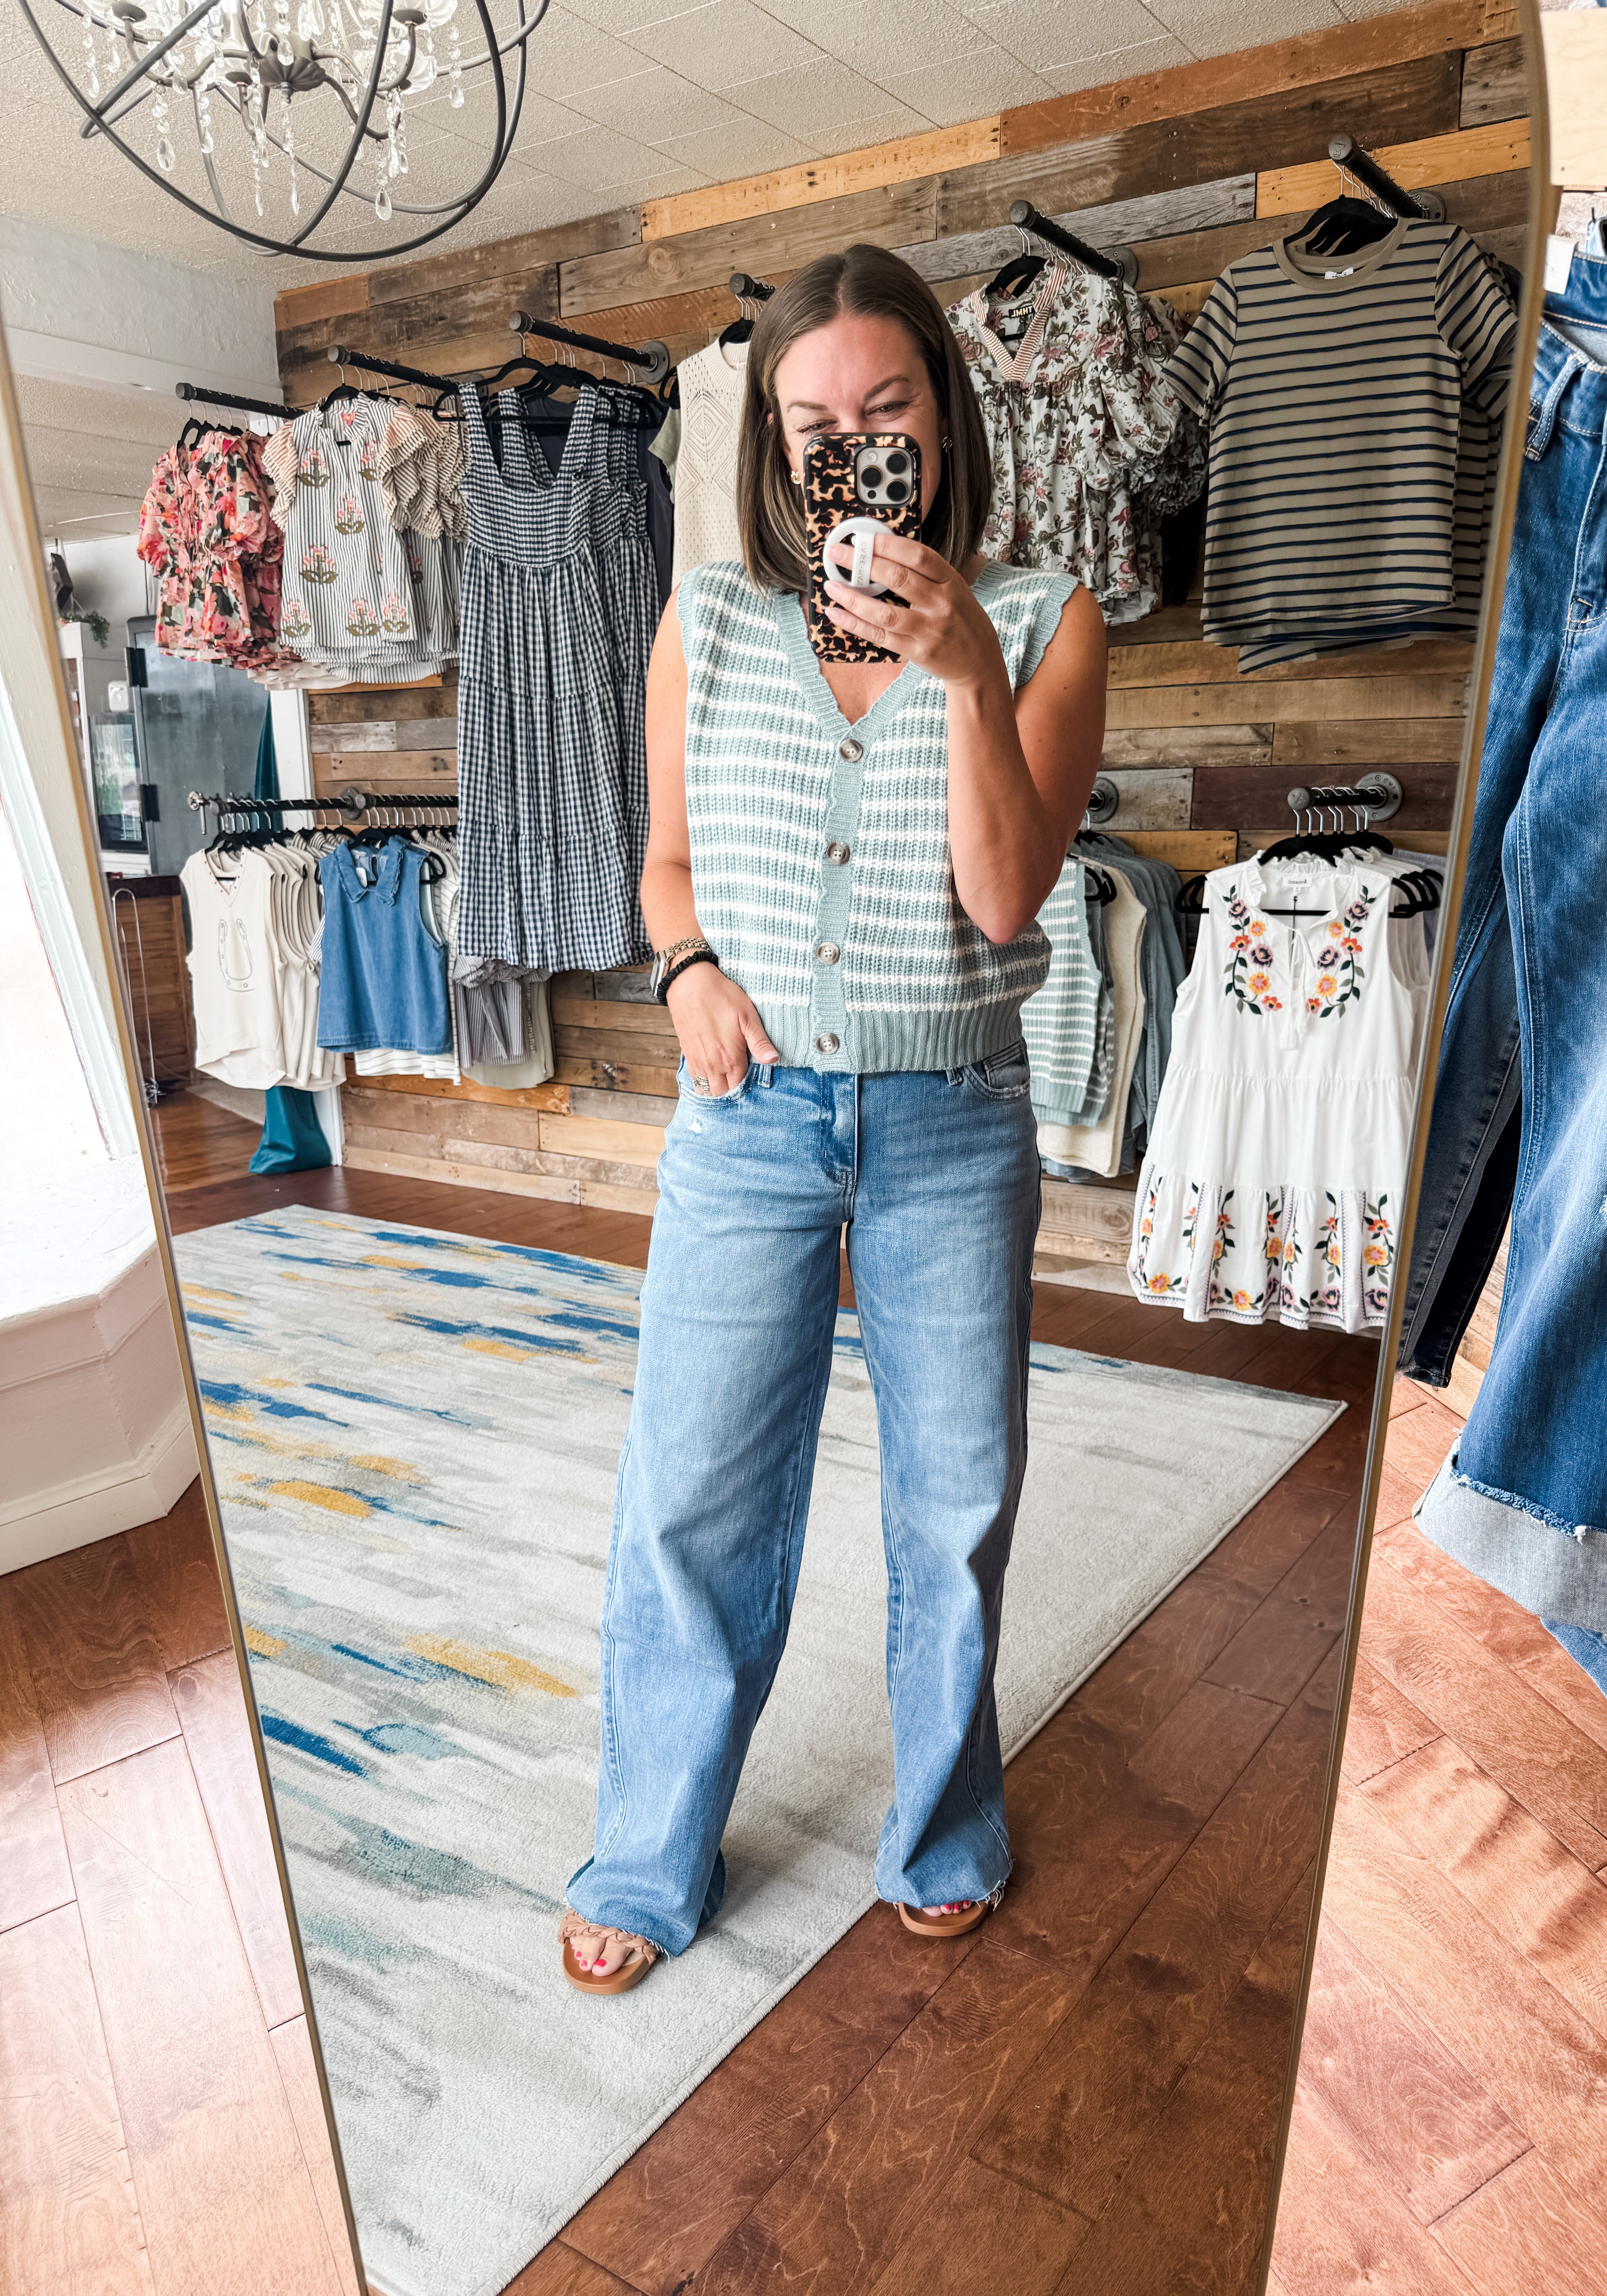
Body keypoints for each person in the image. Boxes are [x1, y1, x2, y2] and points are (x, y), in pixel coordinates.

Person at [558, 241, 1108, 1995]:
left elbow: (1005, 899)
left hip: (953, 1116)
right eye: (812, 423)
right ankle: (646, 1852)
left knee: (953, 1502)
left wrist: (962, 672)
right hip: (747, 1110)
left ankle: (942, 1830)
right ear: (773, 447)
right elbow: (663, 869)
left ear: (940, 420)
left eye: (884, 408)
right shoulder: (706, 620)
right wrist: (685, 972)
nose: (850, 445)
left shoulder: (1043, 620)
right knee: (693, 1493)